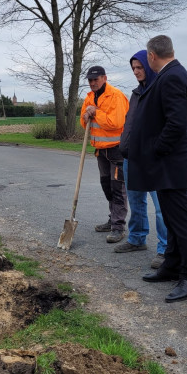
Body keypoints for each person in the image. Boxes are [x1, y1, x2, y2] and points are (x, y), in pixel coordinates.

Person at [127, 36, 187, 302]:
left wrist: (156, 149)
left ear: (151, 55)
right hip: (167, 164)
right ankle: (171, 266)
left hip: (170, 164)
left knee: (181, 222)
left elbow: (177, 123)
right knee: (171, 219)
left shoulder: (171, 77)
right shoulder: (172, 73)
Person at [117, 50, 168, 268]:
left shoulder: (159, 90)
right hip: (132, 156)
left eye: (140, 67)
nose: (136, 72)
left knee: (161, 206)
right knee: (136, 200)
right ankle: (137, 239)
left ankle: (165, 249)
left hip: (153, 158)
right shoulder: (137, 93)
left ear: (148, 66)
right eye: (133, 68)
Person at [80, 65, 129, 243]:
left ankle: (118, 226)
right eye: (90, 80)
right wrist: (85, 117)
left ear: (104, 78)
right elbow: (85, 124)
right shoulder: (89, 98)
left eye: (96, 79)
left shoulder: (115, 96)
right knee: (106, 186)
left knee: (117, 187)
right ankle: (112, 219)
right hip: (100, 150)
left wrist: (95, 112)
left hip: (116, 150)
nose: (92, 83)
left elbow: (115, 123)